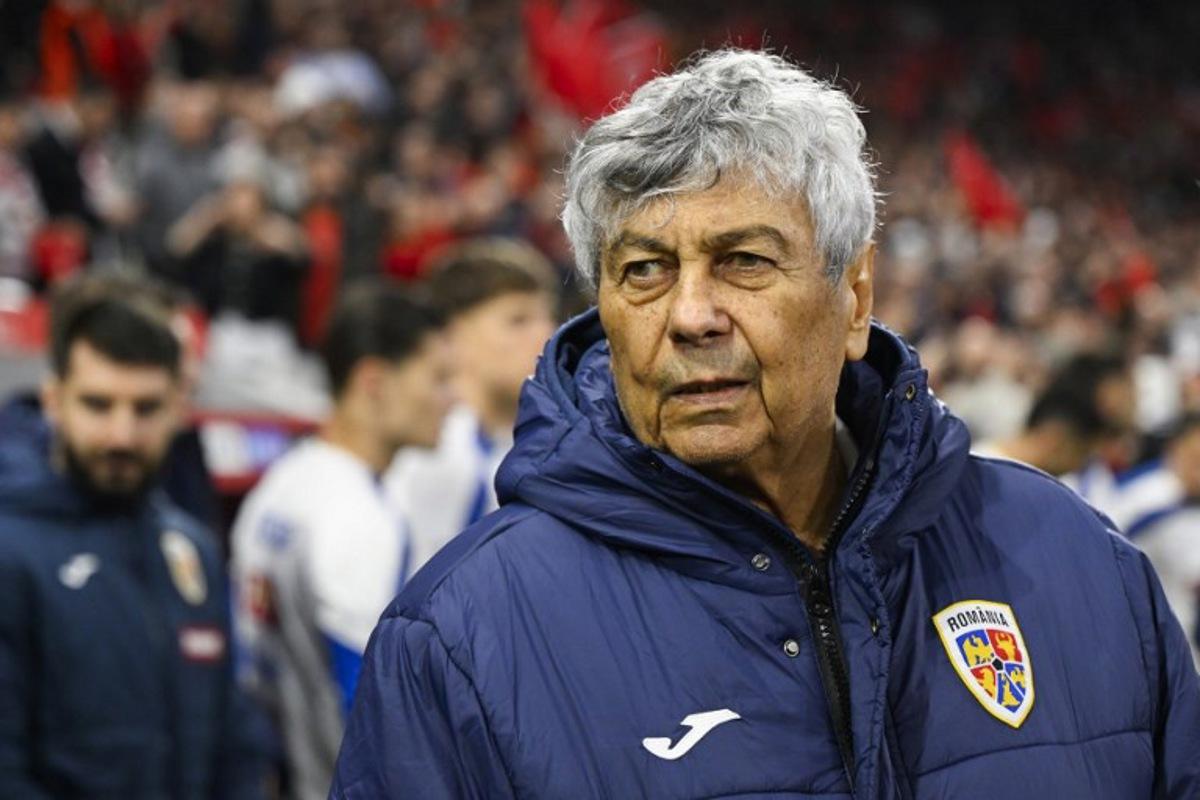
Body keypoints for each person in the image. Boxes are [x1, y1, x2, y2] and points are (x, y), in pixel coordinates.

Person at [331, 49, 1199, 798]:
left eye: (743, 261)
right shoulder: (460, 637)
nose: (690, 315)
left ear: (854, 296)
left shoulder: (1078, 562)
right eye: (645, 270)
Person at [0, 273, 267, 798]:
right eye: (98, 405)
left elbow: (231, 737)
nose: (122, 435)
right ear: (54, 400)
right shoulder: (10, 551)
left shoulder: (191, 551)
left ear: (179, 407)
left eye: (145, 408)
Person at [230, 279, 453, 800]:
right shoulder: (356, 516)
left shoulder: (283, 482)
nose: (451, 398)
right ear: (374, 381)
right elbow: (370, 701)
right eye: (437, 378)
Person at [385, 237, 557, 574]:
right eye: (518, 320)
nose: (546, 333)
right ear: (453, 335)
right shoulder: (437, 454)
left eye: (547, 317)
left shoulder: (504, 444)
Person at [973, 353, 1134, 477]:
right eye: (1080, 454)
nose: (1076, 466)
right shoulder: (980, 471)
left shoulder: (1033, 479)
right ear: (1056, 439)